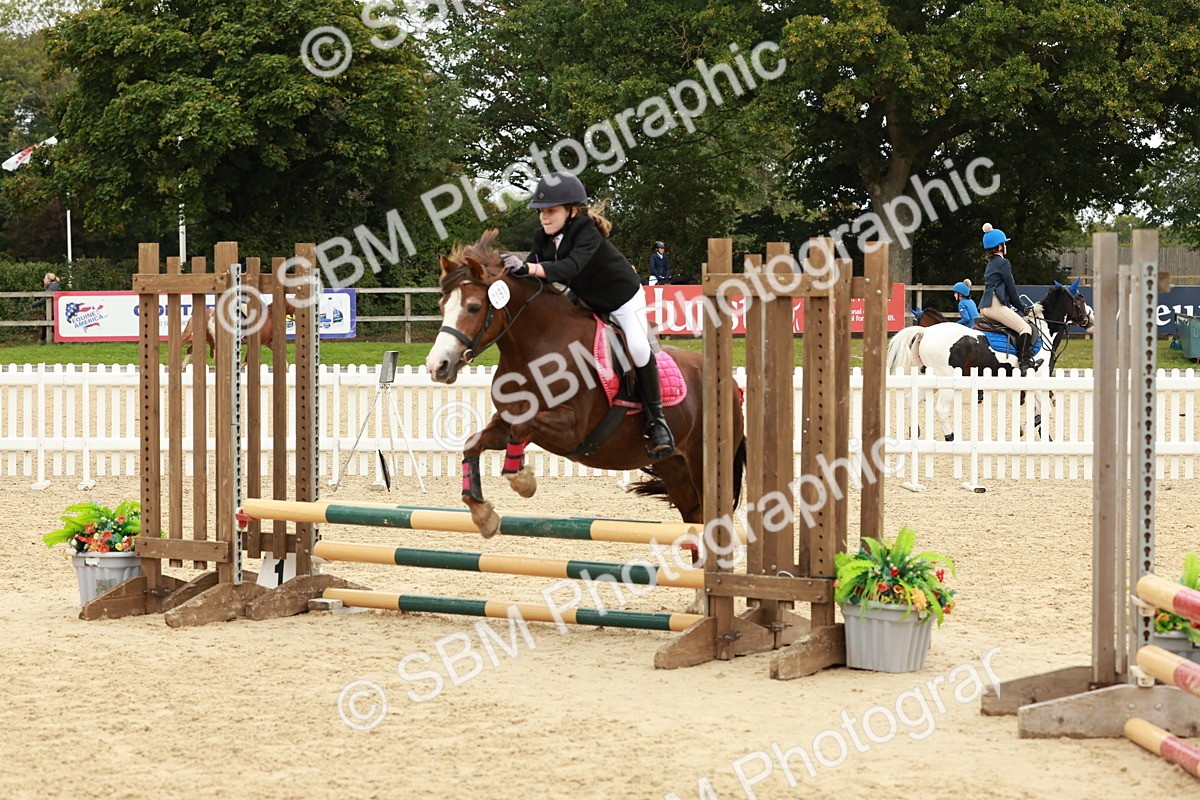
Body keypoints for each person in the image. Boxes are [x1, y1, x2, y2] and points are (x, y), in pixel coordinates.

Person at [510, 172, 674, 459]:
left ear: (572, 211)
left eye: (551, 211)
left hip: (623, 299)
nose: (544, 218)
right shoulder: (542, 237)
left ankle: (657, 420)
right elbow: (530, 275)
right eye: (541, 212)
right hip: (587, 298)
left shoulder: (586, 230)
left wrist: (531, 269)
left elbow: (571, 267)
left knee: (637, 347)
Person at [976, 224, 1041, 375]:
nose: (1006, 246)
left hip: (985, 307)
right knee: (1025, 328)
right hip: (995, 306)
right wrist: (1023, 307)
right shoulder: (1003, 263)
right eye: (1004, 243)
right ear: (1000, 246)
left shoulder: (991, 263)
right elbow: (1011, 290)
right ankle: (1024, 363)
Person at [31, 272, 62, 344]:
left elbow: (43, 300)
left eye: (45, 278)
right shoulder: (53, 286)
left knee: (49, 325)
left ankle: (60, 341)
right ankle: (42, 341)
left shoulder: (52, 287)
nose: (43, 280)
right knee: (46, 325)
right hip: (51, 310)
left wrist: (33, 305)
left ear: (48, 279)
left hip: (52, 310)